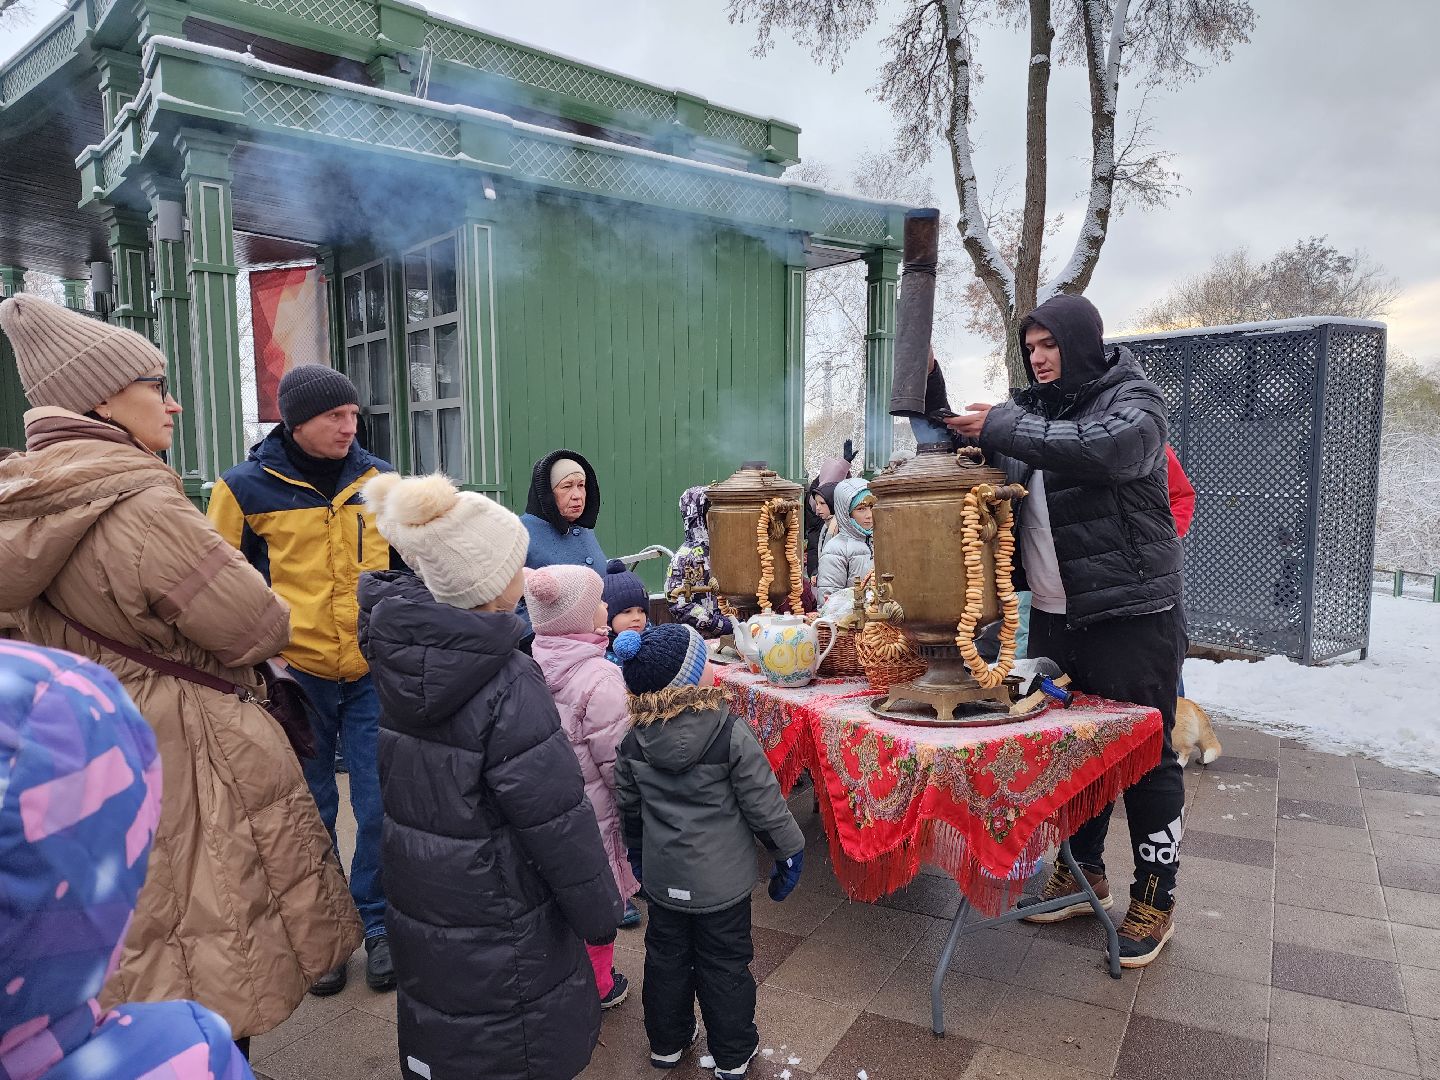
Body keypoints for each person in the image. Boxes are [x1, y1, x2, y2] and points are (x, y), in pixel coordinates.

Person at [0, 297, 359, 1040]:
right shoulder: (143, 501)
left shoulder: (30, 497)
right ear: (102, 398)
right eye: (153, 386)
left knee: (145, 924)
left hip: (98, 742)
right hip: (187, 741)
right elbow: (254, 621)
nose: (174, 403)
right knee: (217, 921)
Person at [940, 293, 1187, 968]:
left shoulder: (1133, 402)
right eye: (1030, 348)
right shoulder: (1033, 416)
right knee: (1071, 749)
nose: (1038, 357)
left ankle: (1155, 897)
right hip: (1055, 616)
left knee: (1146, 755)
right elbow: (1003, 469)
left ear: (1080, 343)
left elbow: (1107, 452)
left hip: (1133, 616)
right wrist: (953, 431)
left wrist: (1003, 425)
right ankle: (1084, 874)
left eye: (1049, 345)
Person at [357, 472, 622, 1080]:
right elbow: (556, 819)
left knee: (449, 1027)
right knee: (513, 1043)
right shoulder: (507, 682)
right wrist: (599, 909)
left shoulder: (403, 662)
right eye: (516, 566)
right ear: (488, 582)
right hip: (507, 913)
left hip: (428, 901)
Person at [207, 363, 396, 996]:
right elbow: (218, 584)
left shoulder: (381, 482)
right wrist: (256, 664)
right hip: (295, 678)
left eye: (353, 414)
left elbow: (409, 569)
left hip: (371, 672)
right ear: (295, 421)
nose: (351, 426)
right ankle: (328, 939)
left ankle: (379, 926)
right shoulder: (241, 489)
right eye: (334, 417)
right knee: (308, 812)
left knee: (380, 804)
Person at [0, 641, 258, 1079]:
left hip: (95, 742)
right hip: (125, 738)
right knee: (206, 894)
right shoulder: (191, 1055)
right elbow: (253, 623)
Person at [613, 624, 805, 1080]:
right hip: (723, 886)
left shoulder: (633, 741)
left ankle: (666, 1043)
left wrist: (637, 855)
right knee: (725, 966)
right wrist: (788, 854)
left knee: (665, 960)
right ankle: (733, 1054)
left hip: (664, 881)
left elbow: (630, 807)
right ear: (692, 682)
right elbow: (765, 806)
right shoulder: (730, 735)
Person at [527, 563, 644, 966]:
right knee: (601, 900)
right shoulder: (602, 677)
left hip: (557, 805)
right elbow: (618, 761)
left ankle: (567, 970)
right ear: (577, 616)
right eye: (597, 601)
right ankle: (599, 981)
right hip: (598, 810)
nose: (607, 604)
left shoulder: (533, 662)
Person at [522, 448, 606, 571]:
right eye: (567, 486)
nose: (577, 495)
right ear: (547, 492)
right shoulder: (520, 534)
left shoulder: (583, 529)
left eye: (581, 485)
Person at [664, 486, 731, 637]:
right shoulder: (684, 557)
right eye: (711, 511)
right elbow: (677, 602)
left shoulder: (728, 549)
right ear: (697, 515)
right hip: (699, 638)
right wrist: (716, 623)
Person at [816, 477, 875, 607]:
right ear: (846, 513)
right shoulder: (836, 548)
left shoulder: (882, 540)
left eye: (871, 507)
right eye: (861, 509)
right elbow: (828, 602)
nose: (869, 514)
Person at [602, 557, 650, 664]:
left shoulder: (654, 644)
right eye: (627, 611)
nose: (637, 617)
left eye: (641, 611)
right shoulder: (599, 654)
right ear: (608, 616)